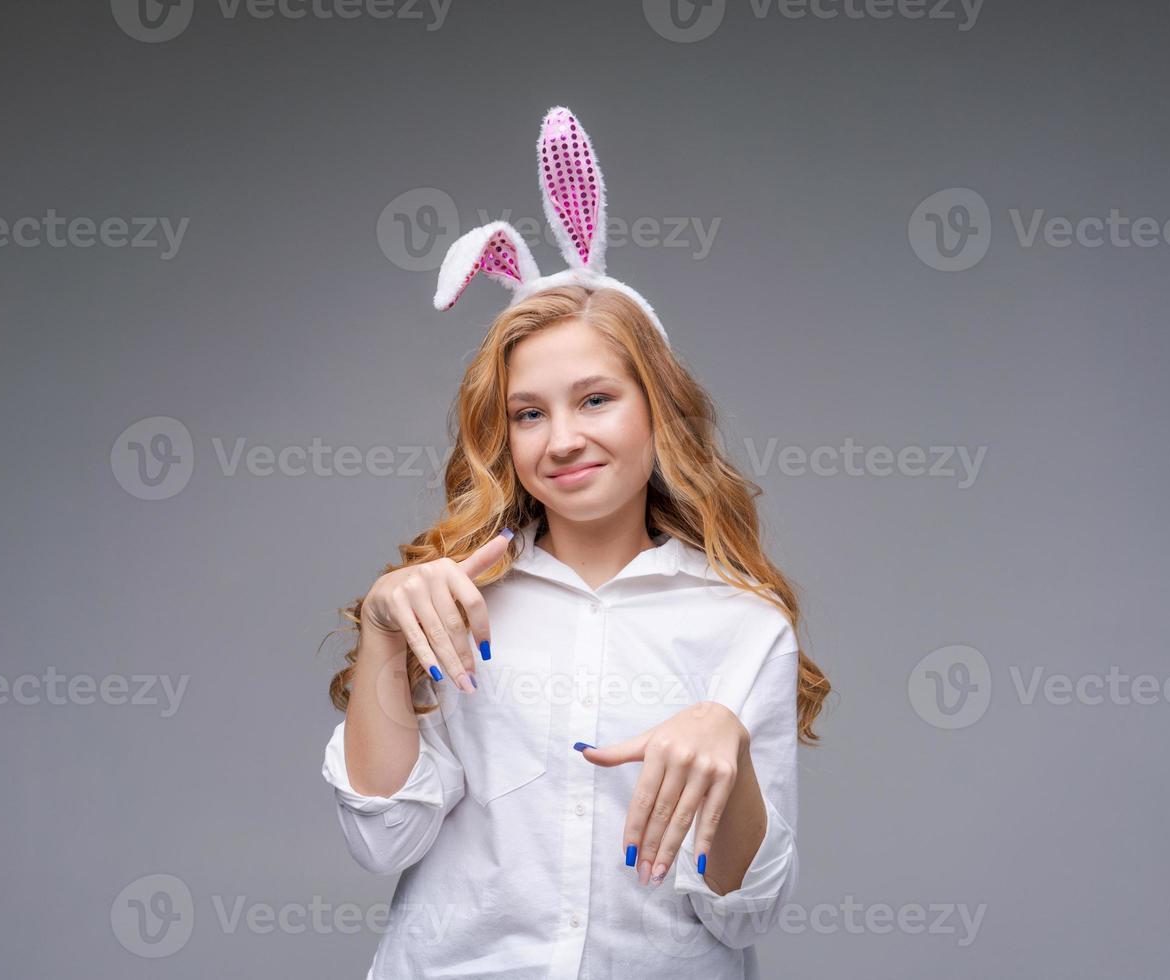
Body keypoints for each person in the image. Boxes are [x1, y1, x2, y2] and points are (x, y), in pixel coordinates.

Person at [319, 107, 831, 979]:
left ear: (657, 411)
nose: (561, 439)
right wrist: (380, 632)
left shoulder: (743, 627)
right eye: (529, 413)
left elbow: (745, 914)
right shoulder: (450, 605)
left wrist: (730, 753)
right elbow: (383, 838)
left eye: (595, 399)